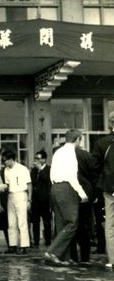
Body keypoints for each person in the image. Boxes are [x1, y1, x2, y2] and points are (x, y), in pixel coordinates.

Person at [45, 130, 89, 266]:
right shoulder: (71, 154)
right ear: (78, 139)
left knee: (61, 223)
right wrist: (82, 193)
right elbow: (72, 177)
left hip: (55, 187)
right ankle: (52, 252)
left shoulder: (58, 152)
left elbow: (52, 173)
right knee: (71, 223)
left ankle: (64, 257)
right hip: (67, 188)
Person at [92, 112, 114, 270]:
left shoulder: (101, 143)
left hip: (109, 188)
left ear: (110, 124)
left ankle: (113, 259)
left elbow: (95, 167)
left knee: (110, 224)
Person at [71, 140, 98, 263]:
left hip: (70, 192)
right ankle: (85, 255)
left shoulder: (64, 155)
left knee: (71, 224)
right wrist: (95, 193)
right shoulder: (86, 155)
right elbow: (94, 175)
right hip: (86, 192)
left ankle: (72, 255)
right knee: (85, 225)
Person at [2, 150, 32, 255]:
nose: (4, 162)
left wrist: (29, 200)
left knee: (22, 222)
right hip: (11, 195)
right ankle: (12, 245)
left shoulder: (23, 169)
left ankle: (24, 246)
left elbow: (29, 185)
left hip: (21, 194)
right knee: (11, 222)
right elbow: (7, 185)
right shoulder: (6, 170)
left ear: (11, 159)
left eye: (5, 160)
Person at [30, 150, 52, 248]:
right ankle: (36, 241)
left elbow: (48, 180)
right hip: (35, 200)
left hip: (45, 200)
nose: (36, 160)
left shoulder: (49, 169)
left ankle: (48, 241)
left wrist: (40, 170)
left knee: (47, 221)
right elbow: (32, 183)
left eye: (38, 158)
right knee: (35, 222)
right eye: (35, 158)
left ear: (44, 159)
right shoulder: (33, 171)